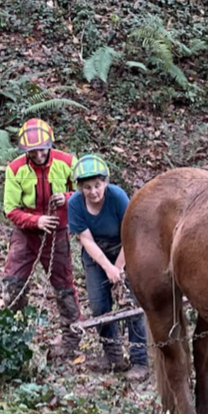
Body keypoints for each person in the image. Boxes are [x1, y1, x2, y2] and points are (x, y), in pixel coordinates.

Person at [1, 118, 81, 358]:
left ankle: (72, 337)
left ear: (50, 145)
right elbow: (10, 209)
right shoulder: (15, 168)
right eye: (32, 151)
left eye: (41, 149)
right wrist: (36, 221)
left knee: (63, 285)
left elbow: (84, 192)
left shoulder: (67, 162)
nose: (37, 155)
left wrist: (67, 198)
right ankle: (14, 334)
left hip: (57, 231)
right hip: (26, 233)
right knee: (13, 283)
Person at [67, 153, 149, 380]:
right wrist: (108, 268)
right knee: (99, 305)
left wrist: (119, 267)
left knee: (131, 306)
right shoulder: (74, 204)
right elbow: (86, 240)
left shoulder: (118, 197)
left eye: (97, 185)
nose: (93, 192)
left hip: (125, 246)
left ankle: (140, 360)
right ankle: (113, 355)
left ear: (106, 183)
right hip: (96, 254)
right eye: (87, 187)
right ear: (80, 189)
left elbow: (131, 235)